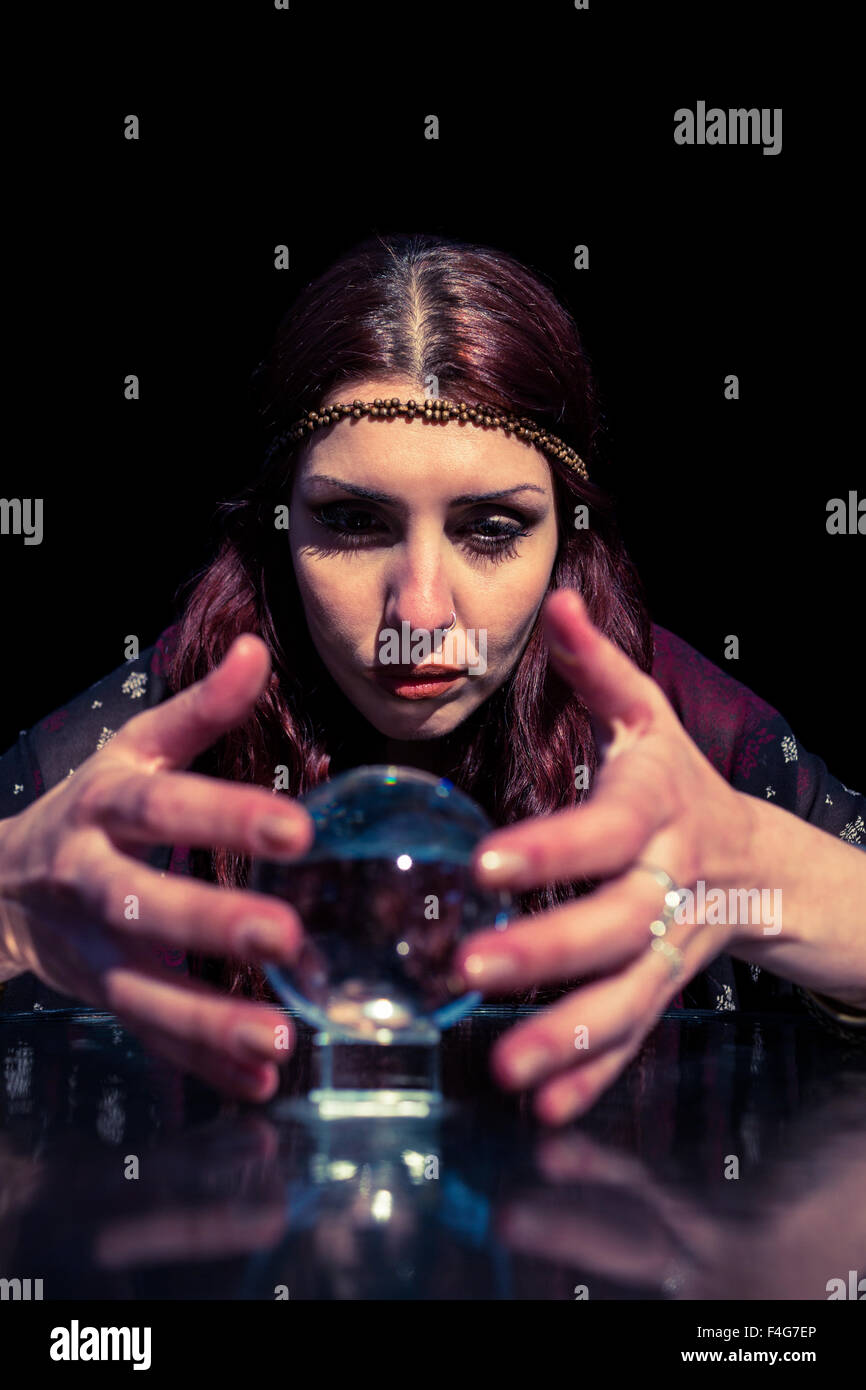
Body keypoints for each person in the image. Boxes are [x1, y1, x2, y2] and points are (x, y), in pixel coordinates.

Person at [1, 233, 864, 1126]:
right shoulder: (143, 748)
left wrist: (768, 881)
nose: (419, 616)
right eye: (353, 521)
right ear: (277, 527)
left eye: (490, 530)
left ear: (568, 537)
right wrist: (10, 914)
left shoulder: (683, 729)